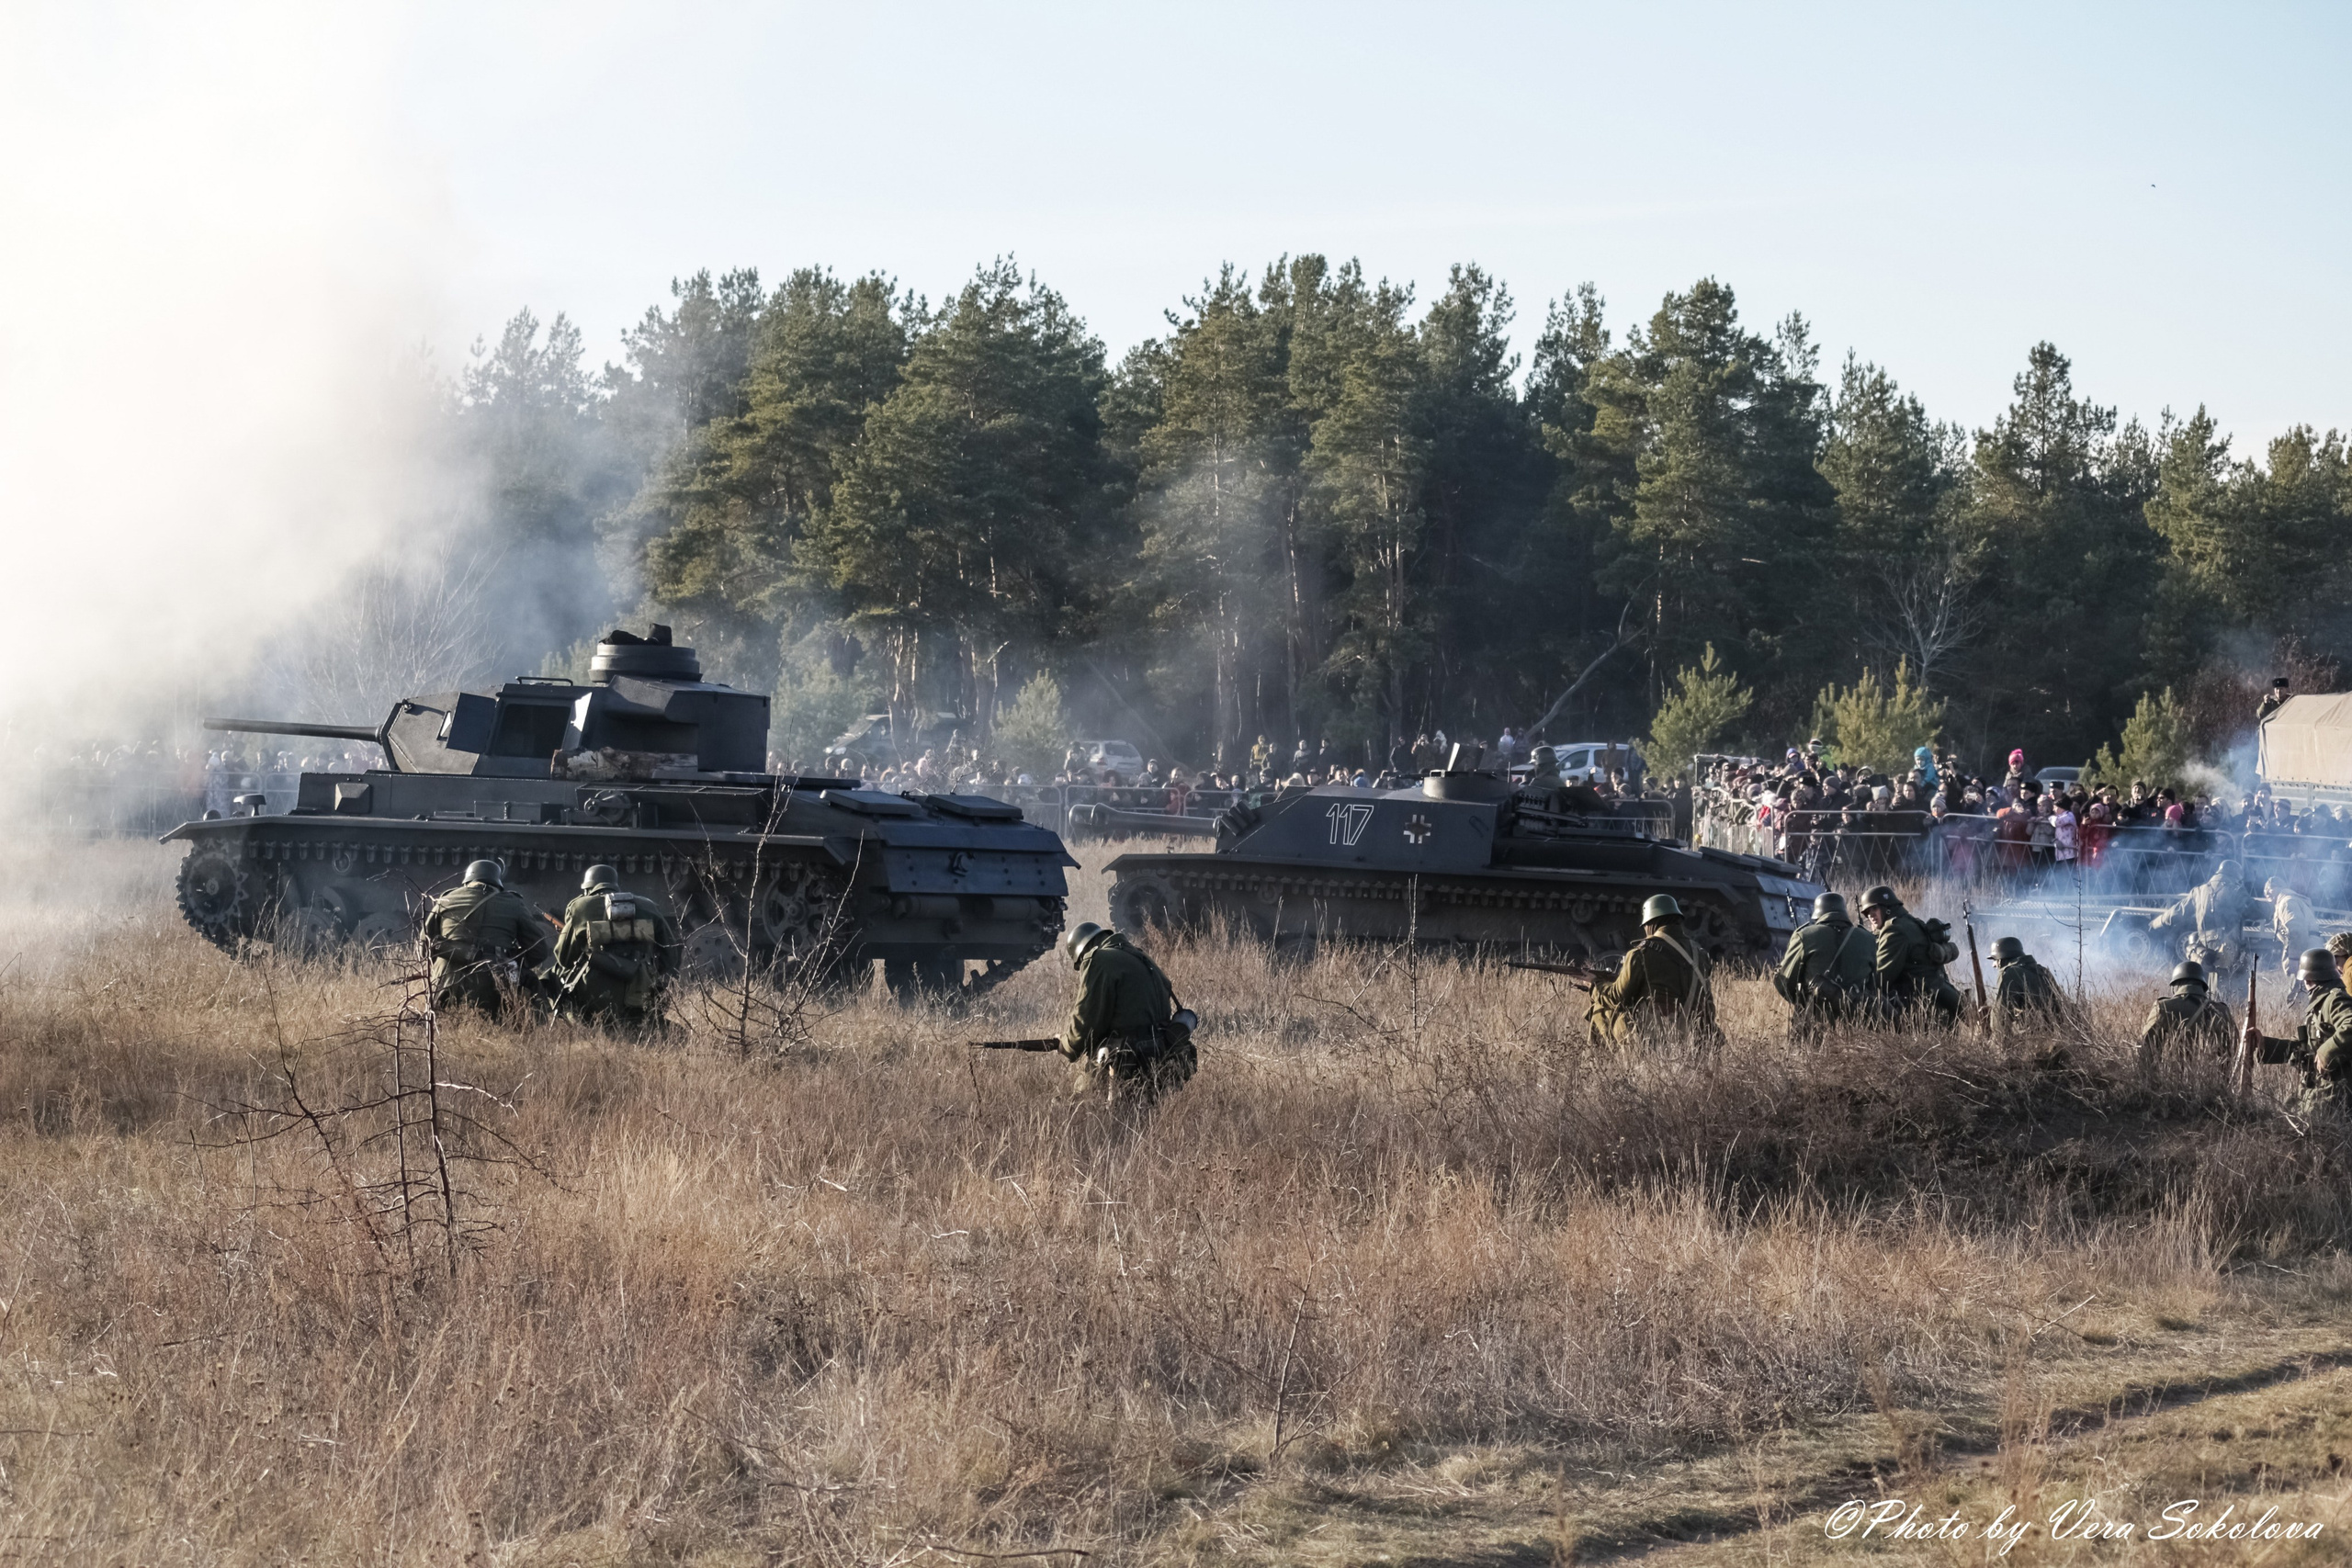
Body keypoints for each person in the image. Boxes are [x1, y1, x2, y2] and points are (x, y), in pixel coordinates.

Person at [1058, 921, 1195, 1106]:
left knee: (1076, 1106)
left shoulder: (1099, 959)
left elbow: (1084, 1027)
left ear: (1084, 951)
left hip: (1127, 1062)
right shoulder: (1140, 957)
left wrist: (1065, 1044)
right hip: (1160, 1058)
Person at [552, 864, 680, 1032]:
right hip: (638, 995)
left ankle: (575, 1024)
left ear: (587, 889)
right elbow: (671, 956)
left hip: (593, 1000)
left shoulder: (580, 907)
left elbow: (564, 958)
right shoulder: (649, 906)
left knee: (553, 973)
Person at [422, 859, 553, 1016]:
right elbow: (538, 951)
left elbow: (425, 945)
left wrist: (453, 953)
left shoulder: (445, 900)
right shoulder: (513, 903)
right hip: (494, 986)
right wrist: (508, 958)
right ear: (497, 883)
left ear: (467, 881)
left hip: (445, 982)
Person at [1589, 895, 1719, 1048]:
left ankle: (1600, 1065)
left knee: (1600, 1009)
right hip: (1697, 1037)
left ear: (1651, 923)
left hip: (1655, 1038)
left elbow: (1618, 998)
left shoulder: (1640, 954)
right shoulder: (1700, 954)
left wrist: (1595, 984)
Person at [2241, 949, 2352, 1118]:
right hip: (2321, 1086)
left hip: (2336, 1092)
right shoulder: (2321, 1001)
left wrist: (2326, 1052)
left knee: (2294, 1120)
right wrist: (2264, 1044)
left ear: (2308, 979)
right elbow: (2305, 1046)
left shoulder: (2333, 999)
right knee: (2285, 1114)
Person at [1858, 884, 1962, 1025]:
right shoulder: (1910, 922)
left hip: (1920, 1012)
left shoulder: (1894, 931)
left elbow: (1880, 978)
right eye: (1867, 912)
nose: (1871, 915)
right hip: (1937, 1005)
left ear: (1887, 908)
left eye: (1874, 908)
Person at [1773, 890, 1874, 1036]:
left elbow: (1785, 984)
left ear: (1818, 913)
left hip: (1815, 1024)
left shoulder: (1804, 935)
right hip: (1858, 1023)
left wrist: (1801, 999)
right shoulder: (1868, 939)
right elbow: (1876, 984)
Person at [2138, 959, 2236, 1073]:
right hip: (2213, 1082)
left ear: (2176, 985)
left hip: (2171, 1082)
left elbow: (2146, 1047)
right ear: (2202, 986)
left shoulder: (2163, 1007)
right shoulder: (2222, 1011)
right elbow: (2233, 1050)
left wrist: (2152, 1081)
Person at [2150, 858, 2248, 969]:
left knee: (2205, 982)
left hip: (2204, 949)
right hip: (2228, 948)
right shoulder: (2236, 891)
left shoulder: (2199, 891)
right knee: (2228, 982)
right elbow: (2255, 910)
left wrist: (2156, 922)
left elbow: (2177, 912)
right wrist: (2270, 908)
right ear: (2236, 876)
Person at [1989, 935, 2068, 1034]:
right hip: (2059, 1035)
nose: (1994, 965)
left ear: (2001, 959)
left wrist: (2000, 1046)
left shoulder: (2010, 973)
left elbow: (2000, 1015)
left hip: (2032, 1040)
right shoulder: (2042, 971)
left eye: (1995, 960)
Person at [2267, 876, 2317, 982]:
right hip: (2309, 951)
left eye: (2269, 890)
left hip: (2304, 953)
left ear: (2277, 889)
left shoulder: (2286, 903)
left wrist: (2294, 958)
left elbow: (2296, 932)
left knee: (2297, 995)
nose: (2267, 894)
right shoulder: (2290, 900)